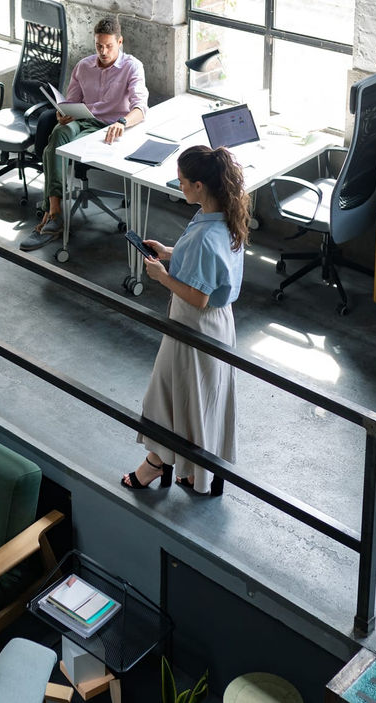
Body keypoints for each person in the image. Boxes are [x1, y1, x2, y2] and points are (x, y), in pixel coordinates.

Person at [121, 146, 247, 495]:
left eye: (182, 182)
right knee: (199, 397)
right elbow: (204, 267)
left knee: (167, 394)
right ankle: (196, 472)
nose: (179, 188)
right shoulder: (220, 218)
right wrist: (171, 253)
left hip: (195, 323)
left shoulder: (207, 235)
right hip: (218, 323)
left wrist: (161, 275)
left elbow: (198, 296)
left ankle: (155, 464)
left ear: (199, 185)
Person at [19, 15, 149, 251]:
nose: (103, 51)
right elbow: (70, 102)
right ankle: (56, 211)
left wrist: (122, 121)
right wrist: (62, 113)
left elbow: (141, 109)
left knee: (52, 148)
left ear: (120, 42)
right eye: (99, 46)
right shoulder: (84, 66)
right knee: (59, 132)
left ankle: (53, 214)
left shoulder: (132, 66)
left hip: (110, 127)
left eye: (109, 46)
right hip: (83, 120)